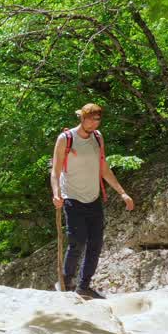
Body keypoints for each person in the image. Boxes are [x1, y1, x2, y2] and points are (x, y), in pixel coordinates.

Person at [49, 103, 134, 300]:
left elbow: (103, 168)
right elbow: (56, 170)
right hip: (72, 196)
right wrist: (56, 193)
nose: (94, 123)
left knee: (95, 243)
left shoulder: (98, 137)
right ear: (82, 118)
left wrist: (122, 193)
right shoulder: (66, 139)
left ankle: (84, 286)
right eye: (91, 119)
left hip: (93, 197)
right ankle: (66, 282)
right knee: (78, 241)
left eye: (97, 119)